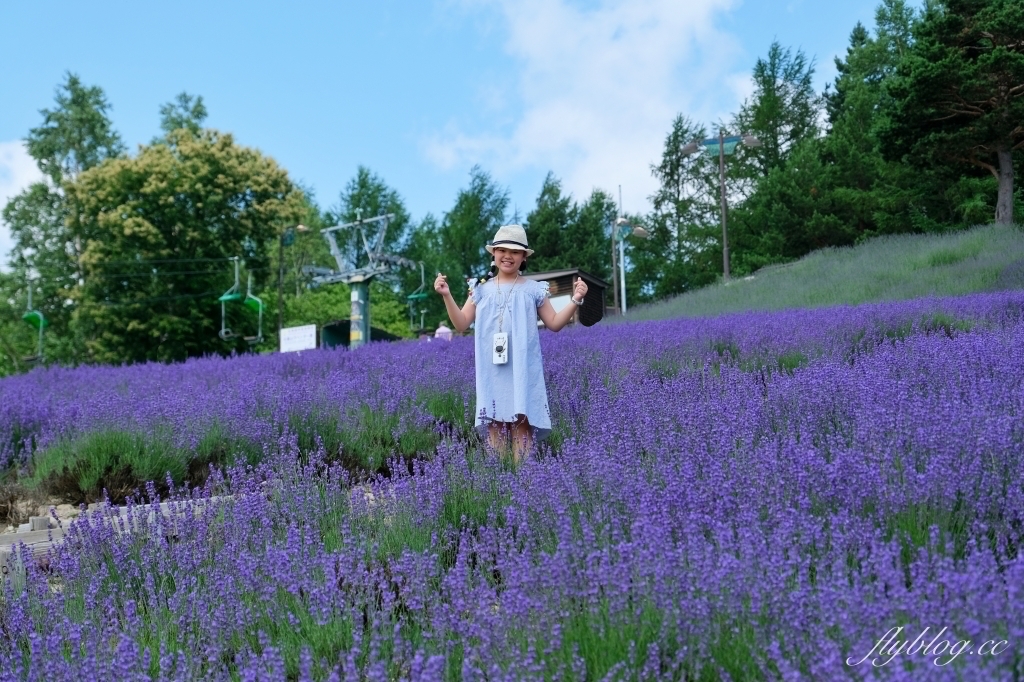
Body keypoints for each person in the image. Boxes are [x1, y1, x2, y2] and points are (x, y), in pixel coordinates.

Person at [434, 224, 588, 465]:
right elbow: (462, 323)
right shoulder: (480, 289)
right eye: (502, 250)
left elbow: (555, 323)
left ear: (524, 256)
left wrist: (575, 299)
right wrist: (446, 295)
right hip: (492, 367)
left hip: (523, 366)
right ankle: (499, 484)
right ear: (493, 254)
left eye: (515, 251)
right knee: (494, 422)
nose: (508, 256)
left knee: (522, 421)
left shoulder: (533, 289)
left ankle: (523, 482)